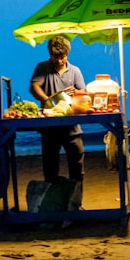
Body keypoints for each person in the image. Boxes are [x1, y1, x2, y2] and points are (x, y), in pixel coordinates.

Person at [29, 35, 86, 183]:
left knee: (77, 168)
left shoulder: (75, 71)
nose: (59, 60)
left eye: (63, 57)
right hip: (49, 129)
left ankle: (76, 203)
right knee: (50, 168)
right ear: (50, 54)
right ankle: (53, 204)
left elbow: (84, 95)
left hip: (72, 129)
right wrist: (48, 100)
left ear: (67, 54)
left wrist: (77, 93)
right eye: (56, 57)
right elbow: (34, 87)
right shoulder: (42, 67)